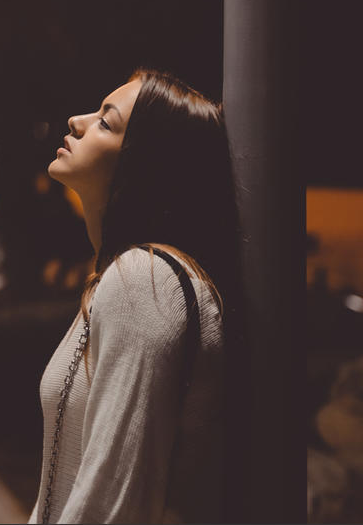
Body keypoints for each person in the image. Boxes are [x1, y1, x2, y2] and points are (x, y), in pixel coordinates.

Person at [28, 69, 247, 523]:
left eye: (106, 122)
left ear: (145, 163)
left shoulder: (145, 282)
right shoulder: (122, 277)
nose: (76, 121)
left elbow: (113, 501)